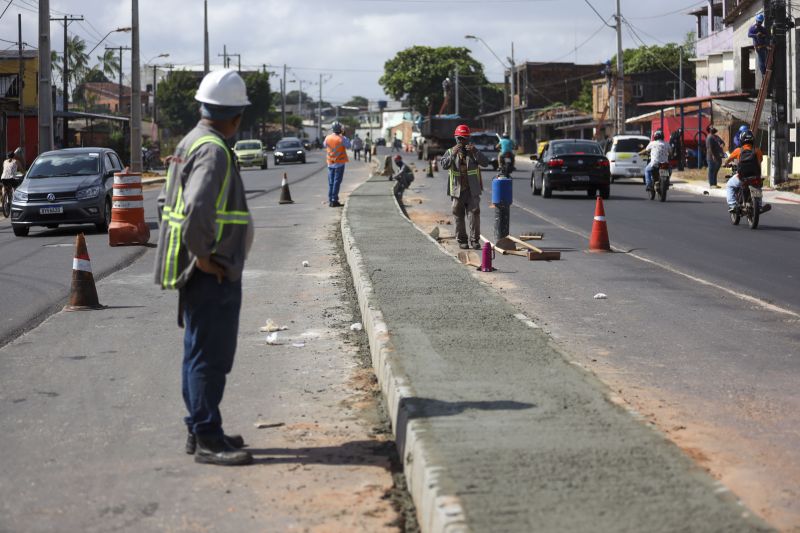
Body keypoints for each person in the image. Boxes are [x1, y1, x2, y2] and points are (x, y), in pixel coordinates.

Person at [154, 69, 254, 467]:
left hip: (194, 269)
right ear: (235, 116)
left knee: (197, 352)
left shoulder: (190, 141)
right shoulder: (212, 149)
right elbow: (195, 208)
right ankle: (209, 438)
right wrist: (205, 257)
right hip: (211, 271)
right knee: (210, 357)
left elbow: (166, 201)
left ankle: (201, 429)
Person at [439, 124, 489, 250]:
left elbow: (485, 163)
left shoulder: (473, 152)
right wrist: (452, 155)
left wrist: (475, 151)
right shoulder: (451, 151)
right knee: (458, 216)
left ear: (468, 138)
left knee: (474, 215)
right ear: (456, 138)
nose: (462, 141)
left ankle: (475, 240)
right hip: (457, 191)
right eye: (460, 138)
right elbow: (444, 165)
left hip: (472, 191)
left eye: (465, 138)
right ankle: (462, 240)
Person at [723, 129, 767, 213]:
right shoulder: (757, 151)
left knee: (729, 185)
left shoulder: (738, 150)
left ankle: (732, 205)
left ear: (741, 140)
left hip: (742, 177)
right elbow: (760, 161)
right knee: (758, 187)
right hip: (755, 176)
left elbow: (727, 160)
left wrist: (726, 164)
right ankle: (760, 205)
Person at [323, 121, 351, 207]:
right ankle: (334, 200)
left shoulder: (327, 138)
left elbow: (324, 145)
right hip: (339, 163)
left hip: (330, 163)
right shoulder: (342, 138)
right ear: (340, 129)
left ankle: (331, 199)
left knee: (331, 182)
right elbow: (349, 146)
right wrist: (344, 135)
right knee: (336, 182)